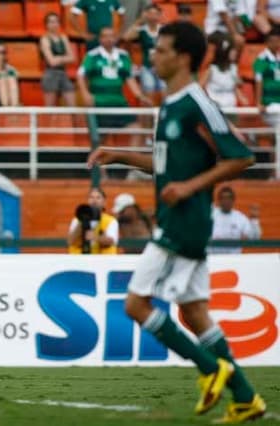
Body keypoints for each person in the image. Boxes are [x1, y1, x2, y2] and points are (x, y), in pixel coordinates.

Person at [88, 21, 266, 423]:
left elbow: (241, 156)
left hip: (182, 222)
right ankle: (245, 397)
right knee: (195, 313)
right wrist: (119, 157)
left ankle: (210, 368)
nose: (154, 56)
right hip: (179, 216)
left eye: (162, 50)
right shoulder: (168, 105)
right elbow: (165, 168)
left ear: (183, 57)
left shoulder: (197, 103)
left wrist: (189, 188)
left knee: (135, 304)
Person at [77, 27, 151, 147]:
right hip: (99, 103)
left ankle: (131, 164)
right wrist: (85, 94)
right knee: (100, 138)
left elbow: (129, 78)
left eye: (111, 36)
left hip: (119, 103)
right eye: (105, 36)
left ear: (116, 38)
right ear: (100, 39)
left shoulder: (123, 55)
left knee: (137, 129)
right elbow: (80, 75)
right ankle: (99, 165)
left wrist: (140, 96)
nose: (109, 39)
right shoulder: (92, 55)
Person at [122, 4, 165, 104]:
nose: (153, 16)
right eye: (150, 13)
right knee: (148, 96)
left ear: (159, 15)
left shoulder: (164, 30)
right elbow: (126, 37)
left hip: (162, 67)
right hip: (147, 67)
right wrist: (140, 21)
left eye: (155, 14)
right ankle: (147, 119)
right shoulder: (142, 30)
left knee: (165, 94)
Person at [200, 33, 248, 109]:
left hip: (231, 108)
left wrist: (242, 98)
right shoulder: (211, 69)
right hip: (215, 108)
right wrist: (208, 101)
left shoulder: (233, 68)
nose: (235, 53)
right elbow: (200, 87)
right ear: (224, 52)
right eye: (232, 50)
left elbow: (236, 86)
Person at [210, 186, 262, 254]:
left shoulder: (240, 218)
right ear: (219, 200)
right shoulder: (211, 215)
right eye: (223, 198)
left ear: (233, 200)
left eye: (229, 198)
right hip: (213, 258)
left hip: (233, 259)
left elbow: (254, 237)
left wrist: (254, 220)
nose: (226, 201)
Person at [67, 187, 119, 254]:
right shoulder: (77, 220)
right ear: (88, 201)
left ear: (104, 202)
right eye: (91, 197)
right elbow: (70, 241)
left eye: (98, 198)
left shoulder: (111, 221)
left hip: (102, 262)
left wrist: (96, 237)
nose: (94, 200)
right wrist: (82, 222)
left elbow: (111, 241)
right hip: (79, 261)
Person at [40, 12, 76, 107]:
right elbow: (51, 62)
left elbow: (73, 58)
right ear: (46, 25)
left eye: (56, 21)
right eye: (51, 22)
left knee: (72, 106)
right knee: (50, 109)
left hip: (63, 73)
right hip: (50, 74)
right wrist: (64, 58)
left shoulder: (63, 38)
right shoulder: (44, 39)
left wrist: (58, 59)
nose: (54, 24)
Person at [254, 27, 280, 127]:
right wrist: (258, 102)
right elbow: (258, 81)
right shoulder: (262, 59)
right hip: (270, 103)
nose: (276, 44)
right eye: (273, 41)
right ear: (267, 42)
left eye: (278, 41)